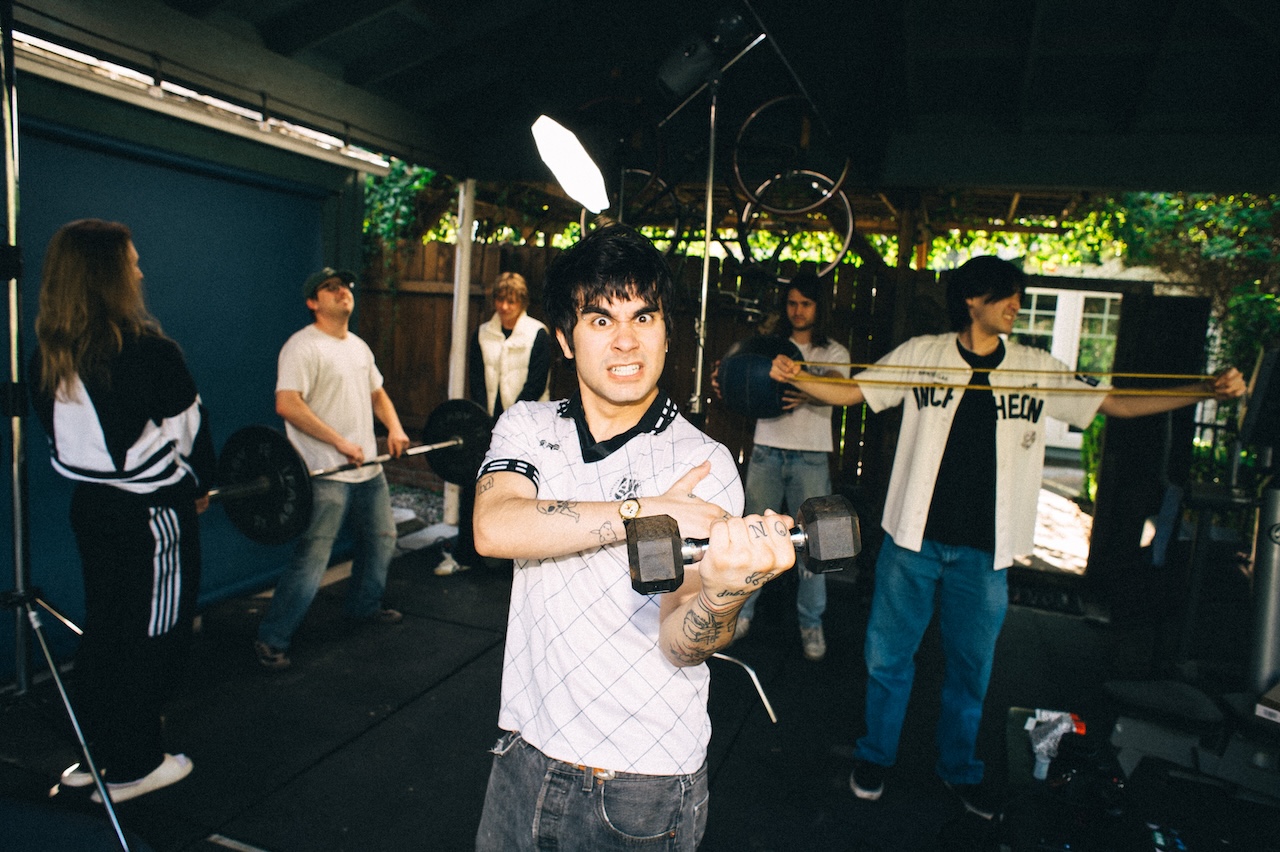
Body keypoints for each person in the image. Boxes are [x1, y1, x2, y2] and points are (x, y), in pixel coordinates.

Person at [769, 255, 1245, 818]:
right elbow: (853, 393)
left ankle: (959, 770)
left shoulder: (1034, 366)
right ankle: (876, 756)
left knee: (971, 671)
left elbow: (1115, 402)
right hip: (912, 541)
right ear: (973, 300)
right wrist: (797, 375)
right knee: (888, 659)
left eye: (1018, 295)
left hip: (984, 553)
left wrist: (1203, 391)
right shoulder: (924, 354)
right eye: (1005, 295)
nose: (1016, 305)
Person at [471, 224, 799, 852]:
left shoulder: (703, 464)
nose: (626, 340)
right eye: (600, 320)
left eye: (643, 316)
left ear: (667, 332)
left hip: (640, 784)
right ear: (564, 340)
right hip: (521, 753)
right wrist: (645, 510)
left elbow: (683, 643)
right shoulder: (528, 427)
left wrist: (724, 596)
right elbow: (494, 527)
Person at [29, 219, 214, 802]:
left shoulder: (47, 358)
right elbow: (192, 437)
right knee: (154, 635)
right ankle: (136, 764)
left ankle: (96, 754)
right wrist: (198, 487)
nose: (139, 271)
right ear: (108, 275)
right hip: (150, 517)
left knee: (107, 629)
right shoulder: (150, 352)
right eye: (131, 262)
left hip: (93, 511)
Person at [254, 267, 411, 670]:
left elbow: (378, 394)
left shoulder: (358, 347)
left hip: (368, 468)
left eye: (344, 286)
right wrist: (338, 442)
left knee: (382, 539)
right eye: (331, 288)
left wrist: (394, 428)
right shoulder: (301, 347)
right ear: (313, 302)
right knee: (312, 558)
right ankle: (272, 638)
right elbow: (287, 404)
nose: (343, 291)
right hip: (325, 472)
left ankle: (364, 606)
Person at [726, 270, 850, 661]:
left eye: (806, 304)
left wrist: (806, 388)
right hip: (767, 451)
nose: (798, 311)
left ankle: (811, 623)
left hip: (811, 456)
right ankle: (741, 614)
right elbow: (739, 378)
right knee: (753, 537)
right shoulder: (768, 347)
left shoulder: (834, 353)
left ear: (819, 307)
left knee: (817, 543)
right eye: (792, 303)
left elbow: (839, 390)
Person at [433, 271, 551, 576]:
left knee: (525, 487)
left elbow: (536, 383)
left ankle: (519, 559)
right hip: (484, 422)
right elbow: (475, 377)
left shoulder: (537, 333)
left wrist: (510, 419)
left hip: (527, 422)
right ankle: (465, 553)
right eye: (500, 300)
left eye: (511, 301)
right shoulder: (483, 333)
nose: (505, 307)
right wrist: (484, 419)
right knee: (475, 484)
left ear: (522, 301)